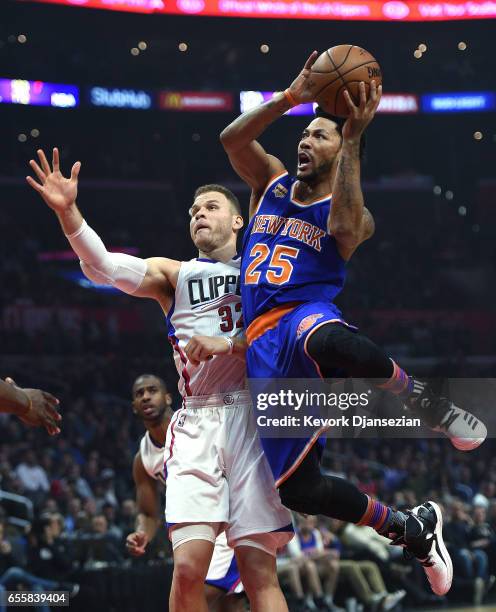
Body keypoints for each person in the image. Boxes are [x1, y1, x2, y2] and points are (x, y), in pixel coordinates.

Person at [219, 51, 477, 596]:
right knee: (299, 489)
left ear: (341, 150)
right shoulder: (269, 182)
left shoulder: (354, 210)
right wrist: (291, 98)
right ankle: (410, 529)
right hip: (263, 342)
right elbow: (232, 140)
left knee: (329, 337)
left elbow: (343, 225)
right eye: (304, 135)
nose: (305, 141)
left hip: (305, 313)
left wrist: (355, 138)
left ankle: (426, 402)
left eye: (320, 136)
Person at [27, 148, 292, 612]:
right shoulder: (176, 273)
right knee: (188, 568)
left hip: (254, 419)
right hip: (198, 420)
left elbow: (288, 343)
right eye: (193, 211)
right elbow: (104, 267)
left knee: (258, 572)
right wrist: (69, 213)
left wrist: (228, 344)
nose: (198, 215)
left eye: (210, 207)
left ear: (237, 223)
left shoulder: (264, 275)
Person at [126, 373, 246, 611]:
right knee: (227, 605)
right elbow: (149, 514)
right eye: (140, 394)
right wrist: (142, 534)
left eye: (152, 390)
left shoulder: (197, 426)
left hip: (228, 524)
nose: (146, 397)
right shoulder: (144, 459)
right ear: (133, 407)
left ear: (168, 397)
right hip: (194, 533)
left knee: (190, 599)